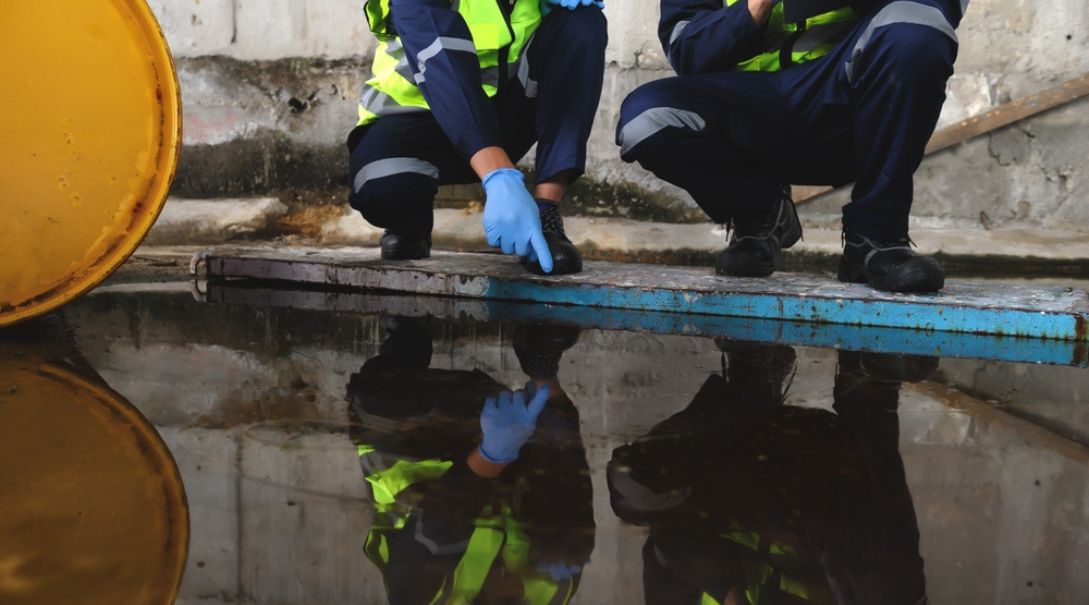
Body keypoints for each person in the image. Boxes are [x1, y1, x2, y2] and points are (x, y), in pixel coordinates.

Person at [616, 0, 969, 293]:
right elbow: (689, 52)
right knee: (645, 120)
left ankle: (876, 239)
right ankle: (761, 215)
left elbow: (939, 12)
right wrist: (757, 6)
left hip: (845, 101)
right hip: (749, 107)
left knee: (916, 29)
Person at [608, 340, 935, 604]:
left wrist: (729, 593)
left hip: (742, 464)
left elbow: (666, 550)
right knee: (893, 597)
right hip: (835, 486)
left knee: (631, 485)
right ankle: (870, 380)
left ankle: (754, 378)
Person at [347, 0, 609, 275]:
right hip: (415, 117)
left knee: (581, 22)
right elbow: (442, 66)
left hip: (501, 120)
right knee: (384, 190)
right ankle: (410, 222)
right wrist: (499, 175)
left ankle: (546, 215)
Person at [347, 317, 594, 603]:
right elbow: (571, 489)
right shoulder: (550, 596)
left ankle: (407, 341)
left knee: (381, 397)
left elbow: (438, 522)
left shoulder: (420, 597)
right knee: (569, 542)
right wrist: (546, 388)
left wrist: (493, 455)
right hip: (498, 433)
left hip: (417, 446)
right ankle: (539, 357)